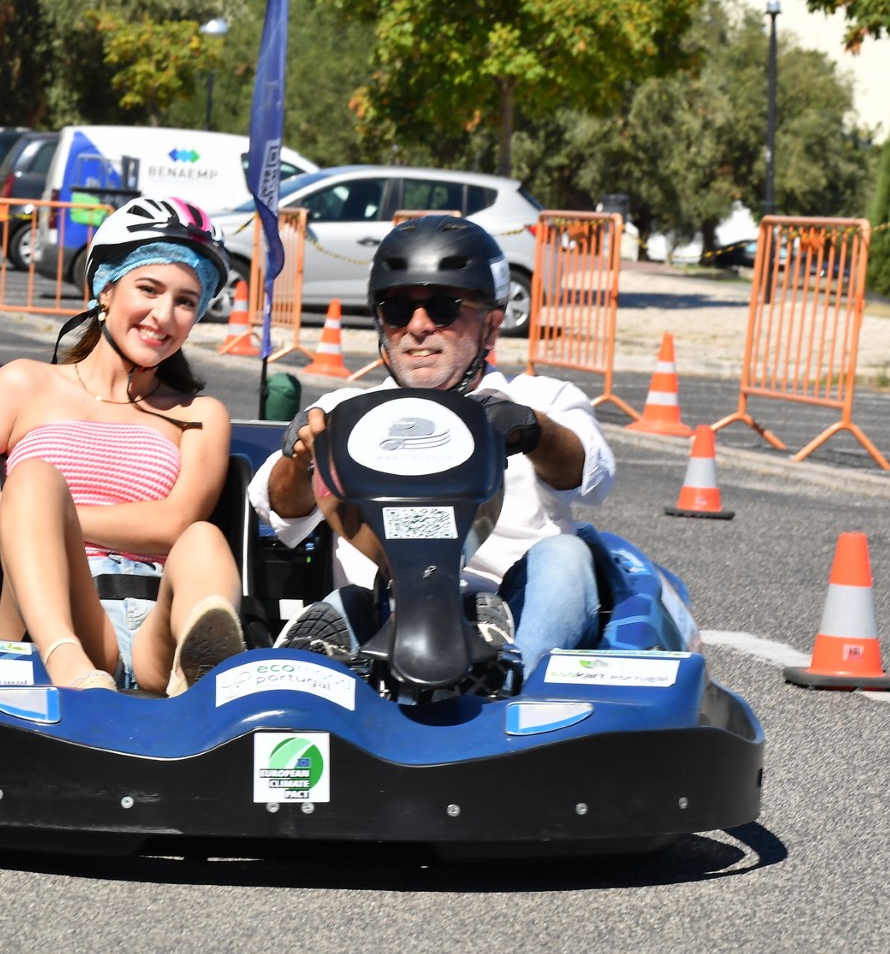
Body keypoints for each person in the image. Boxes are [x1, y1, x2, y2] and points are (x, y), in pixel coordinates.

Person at [247, 215, 615, 677]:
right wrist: (303, 458)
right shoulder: (344, 411)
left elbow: (592, 476)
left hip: (511, 610)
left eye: (443, 307)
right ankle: (319, 660)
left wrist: (533, 431)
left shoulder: (542, 399)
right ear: (381, 322)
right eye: (398, 309)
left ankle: (505, 677)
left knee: (567, 556)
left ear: (491, 326)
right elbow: (277, 511)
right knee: (349, 601)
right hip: (382, 614)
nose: (418, 327)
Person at [0, 196, 245, 694]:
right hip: (53, 609)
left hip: (156, 623)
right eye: (148, 289)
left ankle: (197, 677)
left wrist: (33, 517)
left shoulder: (200, 415)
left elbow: (174, 524)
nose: (164, 315)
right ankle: (68, 663)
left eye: (185, 301)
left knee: (203, 538)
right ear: (106, 288)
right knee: (34, 479)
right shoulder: (24, 384)